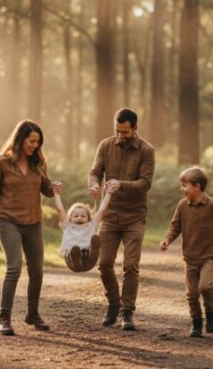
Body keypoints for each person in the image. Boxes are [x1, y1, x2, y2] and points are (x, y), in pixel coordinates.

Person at [0, 120, 56, 336]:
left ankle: (32, 314)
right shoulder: (1, 163)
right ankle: (4, 318)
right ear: (20, 139)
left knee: (37, 271)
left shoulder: (38, 163)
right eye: (32, 141)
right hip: (9, 221)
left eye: (38, 142)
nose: (35, 146)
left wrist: (54, 187)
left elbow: (46, 189)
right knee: (14, 267)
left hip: (34, 222)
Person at [88, 108, 155, 330]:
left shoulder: (146, 150)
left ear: (135, 128)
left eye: (125, 132)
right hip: (108, 215)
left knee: (131, 266)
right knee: (104, 263)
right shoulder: (105, 145)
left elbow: (145, 183)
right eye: (117, 131)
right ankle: (114, 304)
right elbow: (95, 171)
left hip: (134, 217)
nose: (120, 136)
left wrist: (121, 184)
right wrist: (94, 184)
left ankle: (127, 313)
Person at [160, 165, 213, 337]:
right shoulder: (182, 205)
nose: (181, 189)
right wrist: (167, 239)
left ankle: (211, 313)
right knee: (191, 293)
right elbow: (175, 226)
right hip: (190, 257)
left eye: (185, 185)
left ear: (197, 186)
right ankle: (196, 322)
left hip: (209, 256)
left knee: (205, 287)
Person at [52, 183, 111, 270]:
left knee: (93, 244)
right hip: (72, 262)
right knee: (72, 251)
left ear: (88, 218)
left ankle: (94, 251)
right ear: (70, 218)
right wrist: (56, 194)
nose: (79, 218)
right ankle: (76, 259)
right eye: (76, 216)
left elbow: (102, 210)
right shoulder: (68, 226)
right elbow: (60, 210)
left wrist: (109, 193)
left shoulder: (91, 225)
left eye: (83, 216)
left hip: (89, 260)